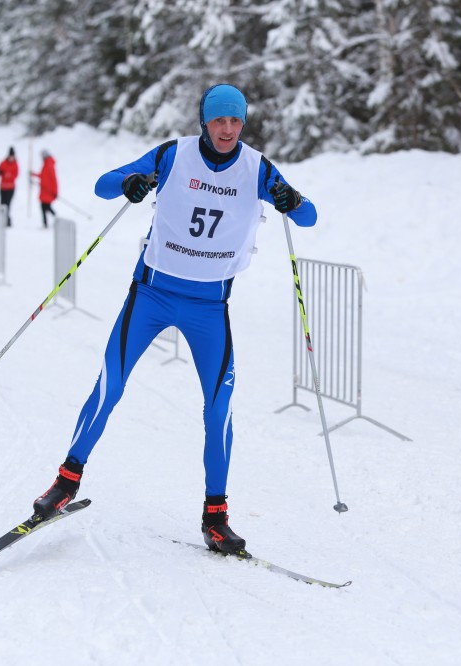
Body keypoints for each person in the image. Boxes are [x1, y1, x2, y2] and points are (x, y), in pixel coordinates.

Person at [31, 83, 316, 555]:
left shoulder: (257, 168)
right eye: (219, 120)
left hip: (209, 307)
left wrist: (290, 199)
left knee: (218, 410)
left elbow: (308, 218)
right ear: (203, 122)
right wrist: (131, 183)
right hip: (152, 295)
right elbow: (104, 185)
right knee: (110, 386)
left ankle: (216, 518)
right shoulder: (173, 155)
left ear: (243, 123)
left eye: (235, 121)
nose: (227, 130)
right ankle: (65, 482)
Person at [31, 149, 58, 228]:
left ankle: (54, 219)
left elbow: (54, 179)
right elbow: (42, 175)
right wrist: (33, 174)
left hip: (48, 191)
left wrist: (55, 191)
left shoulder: (49, 165)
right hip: (44, 190)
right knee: (44, 207)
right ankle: (46, 222)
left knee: (46, 207)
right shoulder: (46, 164)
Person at [0, 147, 19, 227]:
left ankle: (7, 220)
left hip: (10, 188)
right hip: (3, 188)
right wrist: (3, 173)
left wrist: (9, 176)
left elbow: (16, 175)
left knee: (8, 204)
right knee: (2, 203)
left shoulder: (15, 164)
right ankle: (1, 219)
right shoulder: (3, 163)